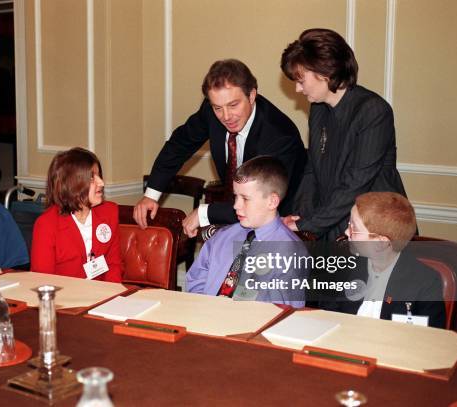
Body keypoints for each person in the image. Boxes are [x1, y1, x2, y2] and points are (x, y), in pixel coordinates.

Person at [134, 59, 306, 237]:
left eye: (233, 105)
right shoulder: (211, 112)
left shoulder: (279, 135)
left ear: (252, 95)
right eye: (217, 108)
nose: (226, 116)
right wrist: (151, 195)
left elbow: (259, 202)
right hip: (239, 212)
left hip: (280, 225)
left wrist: (204, 213)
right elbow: (179, 144)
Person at [280, 28, 408, 241]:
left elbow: (356, 182)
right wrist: (299, 217)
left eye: (301, 81)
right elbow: (312, 169)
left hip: (370, 229)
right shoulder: (319, 109)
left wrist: (308, 224)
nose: (297, 89)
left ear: (325, 72)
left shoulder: (373, 111)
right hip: (329, 219)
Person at [186, 156, 308, 306]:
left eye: (245, 198)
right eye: (235, 197)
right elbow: (196, 279)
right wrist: (205, 309)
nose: (236, 205)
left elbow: (285, 313)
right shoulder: (222, 237)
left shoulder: (289, 252)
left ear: (272, 201)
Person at [319, 192, 446, 328]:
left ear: (381, 243)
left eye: (354, 228)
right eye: (349, 223)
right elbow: (327, 315)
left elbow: (428, 338)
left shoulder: (425, 282)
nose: (346, 232)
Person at [31, 147, 123, 282]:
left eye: (99, 176)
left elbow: (113, 266)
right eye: (92, 178)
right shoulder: (47, 225)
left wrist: (112, 298)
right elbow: (43, 282)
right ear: (72, 184)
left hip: (103, 297)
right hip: (64, 300)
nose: (101, 183)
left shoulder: (109, 213)